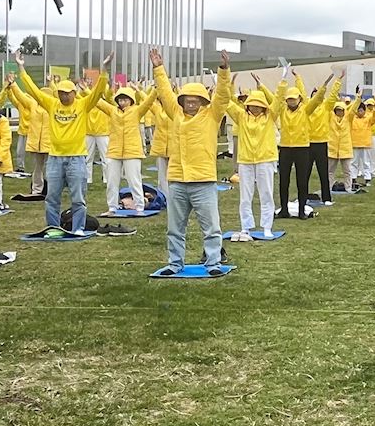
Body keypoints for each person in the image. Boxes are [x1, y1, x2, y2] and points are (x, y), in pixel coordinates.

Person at [152, 47, 232, 275]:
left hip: (203, 180)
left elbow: (223, 96)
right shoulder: (175, 114)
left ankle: (214, 263)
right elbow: (165, 92)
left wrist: (224, 70)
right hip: (177, 180)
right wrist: (158, 68)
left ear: (203, 101)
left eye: (196, 99)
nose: (191, 102)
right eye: (187, 99)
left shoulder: (212, 115)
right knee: (175, 228)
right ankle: (175, 264)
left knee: (211, 227)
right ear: (182, 100)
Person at [14, 48, 112, 235]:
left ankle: (78, 228)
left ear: (75, 93)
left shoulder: (83, 105)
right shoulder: (51, 104)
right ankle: (52, 228)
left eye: (68, 93)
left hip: (76, 158)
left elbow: (98, 91)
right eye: (61, 93)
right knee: (51, 197)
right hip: (55, 158)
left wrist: (104, 70)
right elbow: (33, 91)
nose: (64, 96)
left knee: (78, 198)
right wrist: (21, 68)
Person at [224, 82, 280, 239]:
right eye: (252, 105)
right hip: (246, 160)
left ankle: (267, 227)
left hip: (266, 159)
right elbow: (227, 103)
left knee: (266, 193)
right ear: (247, 105)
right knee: (245, 195)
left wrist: (281, 82)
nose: (255, 108)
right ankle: (246, 227)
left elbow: (278, 101)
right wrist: (221, 85)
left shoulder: (270, 116)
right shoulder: (241, 116)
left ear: (263, 106)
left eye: (258, 105)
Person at [274, 72, 332, 215]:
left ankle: (301, 211)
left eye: (294, 99)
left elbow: (317, 99)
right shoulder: (282, 110)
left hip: (302, 149)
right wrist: (264, 85)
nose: (291, 102)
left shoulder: (306, 109)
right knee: (284, 181)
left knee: (302, 180)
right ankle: (284, 210)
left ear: (300, 99)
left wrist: (324, 87)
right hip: (286, 148)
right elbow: (274, 98)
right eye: (289, 99)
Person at [98, 84, 158, 213]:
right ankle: (112, 207)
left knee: (134, 181)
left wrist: (155, 90)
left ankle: (139, 207)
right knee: (112, 182)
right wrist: (87, 90)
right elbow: (97, 101)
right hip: (114, 151)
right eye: (120, 100)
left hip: (132, 151)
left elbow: (148, 102)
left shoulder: (137, 110)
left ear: (131, 100)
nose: (122, 102)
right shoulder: (112, 111)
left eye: (125, 99)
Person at [2, 75, 50, 200]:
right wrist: (13, 84)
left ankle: (51, 190)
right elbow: (20, 96)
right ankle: (37, 189)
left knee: (50, 169)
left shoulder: (53, 107)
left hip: (50, 144)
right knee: (38, 168)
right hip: (37, 144)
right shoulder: (33, 105)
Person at [305, 73, 344, 204]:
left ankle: (326, 198)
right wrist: (298, 78)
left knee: (323, 173)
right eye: (314, 94)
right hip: (308, 143)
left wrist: (337, 81)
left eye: (318, 94)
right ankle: (302, 197)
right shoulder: (307, 108)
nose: (316, 96)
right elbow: (300, 90)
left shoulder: (326, 107)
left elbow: (333, 95)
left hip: (321, 143)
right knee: (305, 173)